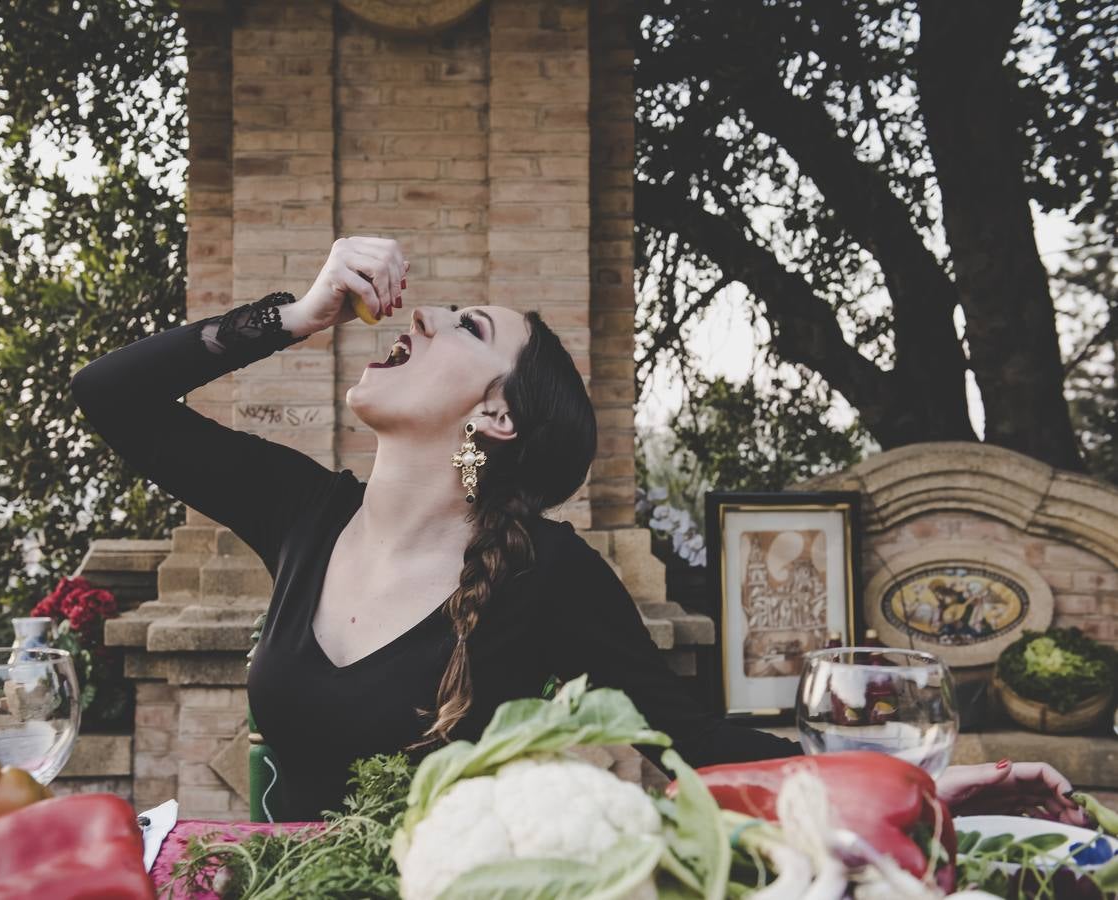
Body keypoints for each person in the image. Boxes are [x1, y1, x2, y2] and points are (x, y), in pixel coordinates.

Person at [71, 235, 1087, 826]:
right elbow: (107, 394)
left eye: (466, 327)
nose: (415, 318)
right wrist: (291, 316)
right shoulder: (300, 515)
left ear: (496, 416)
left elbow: (700, 748)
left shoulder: (546, 576)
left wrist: (943, 788)